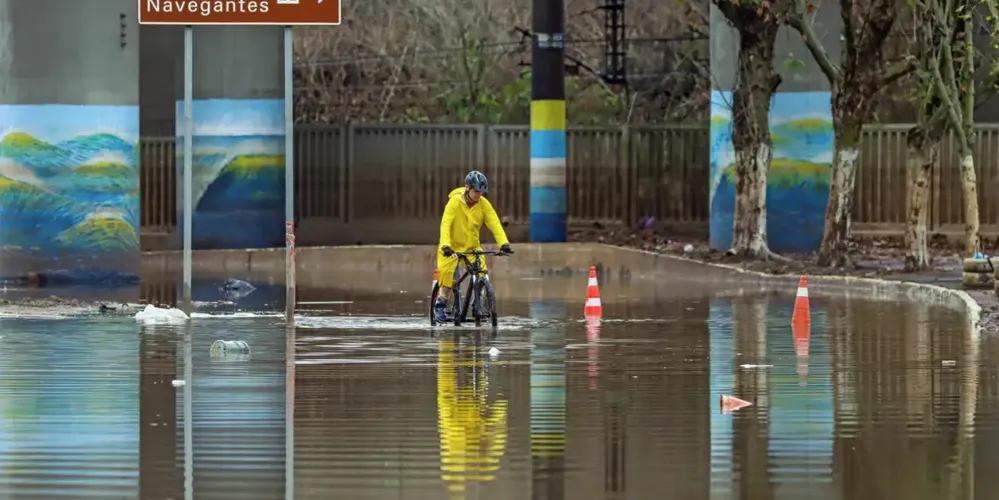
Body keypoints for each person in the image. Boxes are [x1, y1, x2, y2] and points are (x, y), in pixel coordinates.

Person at [435, 170, 513, 322]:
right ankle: (440, 305)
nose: (478, 195)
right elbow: (445, 224)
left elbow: (495, 224)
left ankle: (478, 305)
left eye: (481, 192)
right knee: (449, 278)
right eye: (476, 191)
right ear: (467, 188)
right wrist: (445, 245)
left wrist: (504, 244)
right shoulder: (455, 202)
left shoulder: (484, 205)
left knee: (482, 273)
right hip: (451, 248)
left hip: (472, 248)